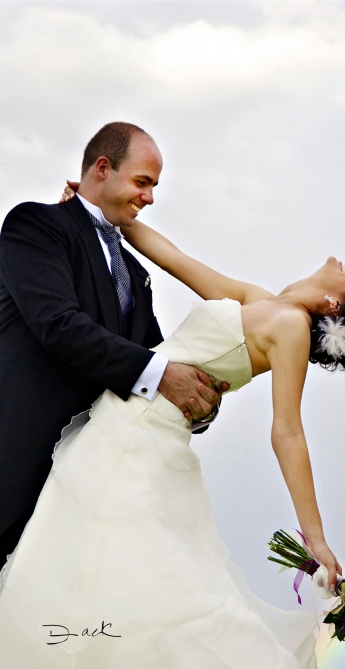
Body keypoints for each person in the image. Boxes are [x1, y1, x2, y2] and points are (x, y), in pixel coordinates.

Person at [0, 196, 345, 669]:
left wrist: (315, 539)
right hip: (124, 428)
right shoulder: (262, 300)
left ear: (335, 305)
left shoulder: (290, 327)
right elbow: (172, 257)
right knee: (103, 565)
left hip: (137, 443)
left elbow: (288, 433)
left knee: (127, 569)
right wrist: (102, 212)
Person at [0, 122, 225, 570]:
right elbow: (59, 325)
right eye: (142, 182)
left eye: (154, 186)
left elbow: (162, 356)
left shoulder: (135, 277)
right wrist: (162, 376)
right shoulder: (37, 225)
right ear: (103, 168)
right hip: (12, 460)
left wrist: (202, 400)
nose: (150, 197)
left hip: (78, 491)